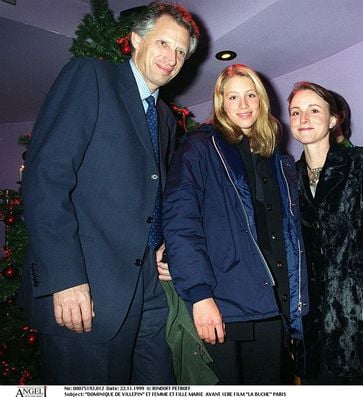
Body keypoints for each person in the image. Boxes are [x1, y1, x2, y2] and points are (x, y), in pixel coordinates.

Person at [19, 2, 200, 384]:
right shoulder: (91, 77)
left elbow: (154, 190)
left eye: (181, 51)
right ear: (136, 40)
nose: (172, 57)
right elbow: (47, 177)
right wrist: (64, 278)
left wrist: (163, 241)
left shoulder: (165, 118)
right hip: (87, 290)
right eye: (164, 43)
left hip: (148, 289)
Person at [162, 64, 308, 385]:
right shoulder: (200, 147)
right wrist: (200, 296)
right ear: (221, 103)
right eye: (233, 97)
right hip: (221, 305)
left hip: (273, 306)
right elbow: (180, 221)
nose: (243, 105)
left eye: (250, 95)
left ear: (261, 100)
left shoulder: (279, 160)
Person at [287, 81, 363, 384]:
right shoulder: (287, 178)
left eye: (314, 110)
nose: (304, 119)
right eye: (296, 112)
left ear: (332, 120)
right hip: (312, 328)